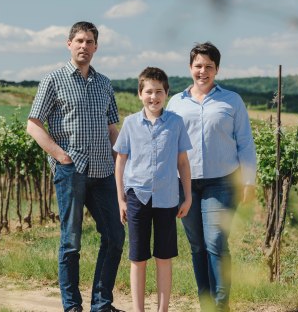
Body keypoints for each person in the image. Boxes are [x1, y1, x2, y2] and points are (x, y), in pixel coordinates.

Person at [27, 21, 126, 312]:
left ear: (96, 47)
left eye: (90, 41)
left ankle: (102, 304)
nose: (84, 46)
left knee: (115, 237)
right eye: (79, 40)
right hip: (71, 170)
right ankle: (72, 306)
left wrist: (124, 159)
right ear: (68, 44)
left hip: (104, 171)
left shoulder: (104, 83)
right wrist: (61, 156)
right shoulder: (53, 80)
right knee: (71, 242)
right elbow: (33, 125)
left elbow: (111, 129)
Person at [166, 42, 256, 312]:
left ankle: (220, 305)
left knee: (216, 241)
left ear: (217, 69)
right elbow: (168, 144)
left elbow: (246, 144)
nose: (202, 71)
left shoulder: (231, 101)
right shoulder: (176, 103)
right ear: (190, 68)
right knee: (197, 246)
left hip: (222, 182)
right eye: (198, 66)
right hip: (186, 184)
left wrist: (249, 181)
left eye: (208, 66)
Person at [113, 67, 192, 312]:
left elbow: (182, 162)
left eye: (159, 92)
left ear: (166, 93)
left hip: (167, 198)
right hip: (137, 196)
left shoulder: (176, 123)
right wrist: (121, 200)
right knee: (138, 257)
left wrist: (187, 197)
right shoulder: (130, 123)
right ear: (140, 94)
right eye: (148, 91)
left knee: (164, 256)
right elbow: (121, 161)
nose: (153, 97)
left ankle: (163, 309)